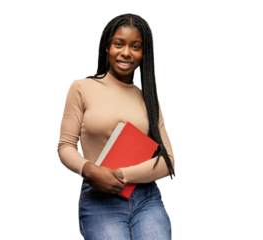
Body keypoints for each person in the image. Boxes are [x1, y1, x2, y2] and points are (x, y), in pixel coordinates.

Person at [57, 10, 176, 240]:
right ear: (106, 46)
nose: (126, 53)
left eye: (135, 46)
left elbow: (168, 162)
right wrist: (89, 170)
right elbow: (65, 146)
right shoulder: (81, 87)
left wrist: (119, 174)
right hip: (100, 198)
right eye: (119, 44)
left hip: (147, 197)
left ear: (144, 53)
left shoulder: (149, 98)